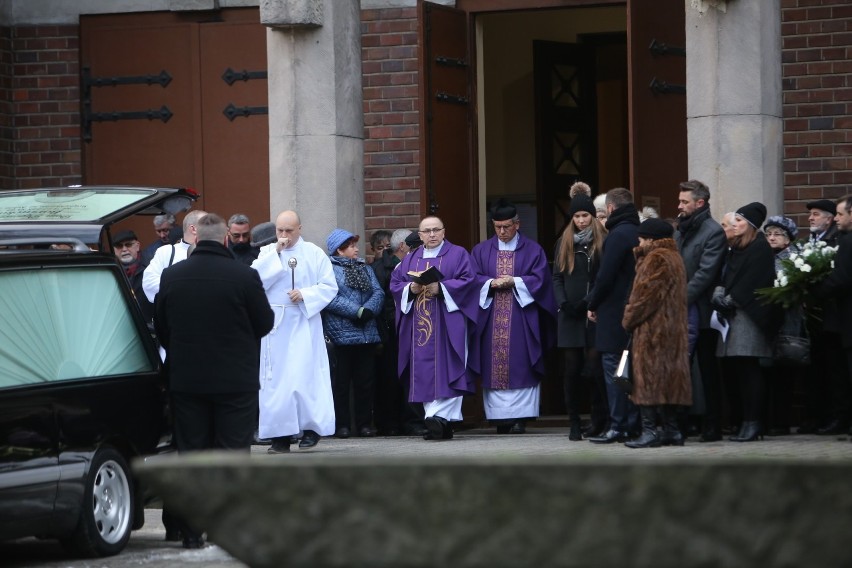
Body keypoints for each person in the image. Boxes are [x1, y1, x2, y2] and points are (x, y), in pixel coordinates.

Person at [154, 213, 273, 548]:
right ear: (224, 239)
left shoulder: (172, 276)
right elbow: (264, 323)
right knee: (232, 453)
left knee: (192, 453)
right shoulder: (243, 275)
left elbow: (162, 326)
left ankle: (191, 533)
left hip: (187, 380)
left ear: (195, 238)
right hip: (235, 381)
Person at [252, 210, 338, 453]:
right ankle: (280, 435)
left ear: (299, 228)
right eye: (280, 230)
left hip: (303, 320)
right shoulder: (267, 253)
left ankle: (311, 429)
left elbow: (329, 286)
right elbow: (254, 280)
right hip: (276, 324)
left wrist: (306, 294)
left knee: (305, 376)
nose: (284, 235)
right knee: (276, 381)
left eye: (289, 230)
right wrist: (275, 254)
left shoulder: (314, 253)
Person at [470, 200, 557, 435]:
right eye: (497, 227)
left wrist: (515, 281)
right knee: (492, 362)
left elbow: (542, 280)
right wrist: (489, 283)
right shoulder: (481, 250)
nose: (501, 231)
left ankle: (521, 417)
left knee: (522, 361)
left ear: (517, 224)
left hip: (521, 316)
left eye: (506, 226)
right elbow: (470, 279)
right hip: (491, 316)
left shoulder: (533, 250)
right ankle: (499, 418)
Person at [389, 216, 478, 440]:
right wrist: (412, 287)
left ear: (443, 231)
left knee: (449, 367)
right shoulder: (410, 259)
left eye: (436, 230)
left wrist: (444, 288)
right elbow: (395, 284)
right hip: (420, 330)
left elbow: (470, 281)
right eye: (426, 231)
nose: (431, 234)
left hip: (448, 326)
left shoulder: (458, 254)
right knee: (424, 372)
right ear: (419, 235)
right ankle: (439, 422)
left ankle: (436, 420)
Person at [711, 202, 781, 442]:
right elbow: (727, 273)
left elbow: (755, 281)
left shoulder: (760, 248)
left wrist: (731, 299)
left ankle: (753, 423)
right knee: (738, 372)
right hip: (733, 317)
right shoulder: (736, 247)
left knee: (750, 371)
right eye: (735, 220)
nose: (735, 224)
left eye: (740, 221)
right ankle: (743, 421)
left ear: (751, 225)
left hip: (749, 316)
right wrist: (719, 292)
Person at [621, 218, 692, 448]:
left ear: (650, 239)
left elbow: (644, 297)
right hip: (673, 330)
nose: (638, 242)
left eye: (641, 238)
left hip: (653, 331)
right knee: (668, 380)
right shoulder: (675, 257)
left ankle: (650, 431)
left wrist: (628, 319)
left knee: (648, 380)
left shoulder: (655, 258)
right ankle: (672, 431)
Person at [585, 188, 640, 444]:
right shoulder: (639, 232)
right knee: (631, 370)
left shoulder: (617, 236)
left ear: (610, 209)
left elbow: (605, 276)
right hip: (633, 311)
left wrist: (592, 303)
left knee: (615, 371)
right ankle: (633, 423)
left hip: (613, 313)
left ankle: (619, 425)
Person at [674, 180, 727, 442]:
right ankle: (682, 423)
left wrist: (680, 298)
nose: (679, 205)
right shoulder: (680, 230)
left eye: (684, 201)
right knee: (680, 367)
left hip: (703, 312)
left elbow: (706, 273)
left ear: (700, 203)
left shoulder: (712, 231)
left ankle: (712, 424)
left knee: (707, 370)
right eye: (680, 200)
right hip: (679, 311)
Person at [552, 192, 608, 440]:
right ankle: (574, 422)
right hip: (569, 315)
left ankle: (598, 420)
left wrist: (588, 301)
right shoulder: (564, 242)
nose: (582, 220)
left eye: (585, 215)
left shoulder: (602, 240)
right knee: (571, 370)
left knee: (595, 369)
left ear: (593, 216)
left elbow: (603, 278)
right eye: (577, 216)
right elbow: (557, 277)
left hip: (592, 312)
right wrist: (563, 302)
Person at [323, 229, 385, 438]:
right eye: (351, 246)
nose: (356, 249)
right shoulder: (328, 269)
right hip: (341, 335)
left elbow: (378, 292)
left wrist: (369, 309)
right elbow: (329, 296)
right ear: (339, 250)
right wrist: (356, 311)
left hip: (366, 334)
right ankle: (342, 425)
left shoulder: (364, 268)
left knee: (365, 383)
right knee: (341, 384)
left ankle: (364, 424)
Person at [370, 228, 426, 436]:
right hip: (390, 331)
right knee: (390, 379)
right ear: (403, 246)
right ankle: (391, 424)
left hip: (410, 329)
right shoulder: (381, 269)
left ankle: (410, 421)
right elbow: (383, 301)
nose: (420, 251)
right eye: (415, 247)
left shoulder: (413, 265)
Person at [803, 199, 849, 435]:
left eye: (816, 214)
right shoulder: (811, 242)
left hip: (836, 315)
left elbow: (840, 277)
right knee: (822, 369)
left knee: (838, 369)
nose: (810, 218)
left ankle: (839, 416)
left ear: (830, 218)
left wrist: (816, 290)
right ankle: (822, 416)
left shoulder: (839, 240)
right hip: (818, 316)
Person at [762, 215, 801, 436]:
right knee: (767, 372)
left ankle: (781, 421)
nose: (772, 238)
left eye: (777, 234)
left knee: (784, 375)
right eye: (768, 234)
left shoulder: (794, 258)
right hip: (768, 322)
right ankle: (768, 419)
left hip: (787, 323)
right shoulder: (764, 257)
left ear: (788, 238)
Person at [142, 210, 207, 304]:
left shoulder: (217, 253)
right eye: (208, 226)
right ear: (193, 229)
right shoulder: (166, 252)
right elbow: (149, 284)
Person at [112, 229, 154, 323]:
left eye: (128, 244)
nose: (124, 249)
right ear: (114, 250)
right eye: (119, 246)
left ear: (137, 246)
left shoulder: (151, 267)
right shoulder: (110, 272)